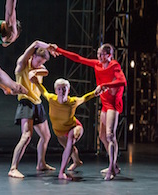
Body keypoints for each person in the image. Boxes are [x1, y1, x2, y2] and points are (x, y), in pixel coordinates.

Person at [50, 43, 127, 181]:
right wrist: (58, 49)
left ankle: (111, 169)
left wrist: (104, 85)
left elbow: (122, 81)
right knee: (103, 137)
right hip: (104, 103)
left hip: (113, 104)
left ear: (109, 55)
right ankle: (114, 165)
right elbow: (78, 58)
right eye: (98, 54)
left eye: (101, 54)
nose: (98, 57)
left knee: (110, 136)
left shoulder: (114, 66)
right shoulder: (97, 65)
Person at [30, 77, 103, 180]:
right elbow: (43, 91)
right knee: (70, 149)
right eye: (59, 89)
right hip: (59, 132)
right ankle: (77, 162)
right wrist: (36, 82)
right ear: (56, 91)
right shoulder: (51, 99)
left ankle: (61, 172)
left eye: (64, 89)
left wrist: (95, 93)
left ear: (68, 90)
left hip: (75, 126)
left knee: (70, 140)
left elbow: (84, 98)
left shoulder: (73, 101)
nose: (61, 91)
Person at [8, 41, 59, 178]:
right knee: (26, 136)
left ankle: (41, 164)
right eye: (38, 61)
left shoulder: (40, 68)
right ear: (32, 56)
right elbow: (36, 43)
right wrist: (46, 46)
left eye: (42, 62)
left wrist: (37, 69)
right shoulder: (22, 64)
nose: (40, 64)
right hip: (26, 102)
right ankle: (13, 168)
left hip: (37, 103)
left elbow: (45, 71)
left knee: (46, 136)